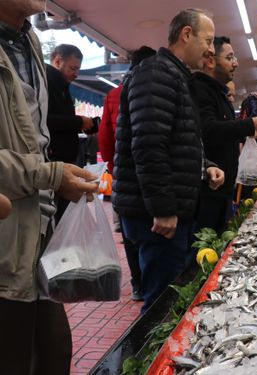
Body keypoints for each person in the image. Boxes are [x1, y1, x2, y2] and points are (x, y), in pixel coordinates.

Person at [0, 0, 99, 373]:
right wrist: (50, 175)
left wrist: (58, 179)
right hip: (5, 241)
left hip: (39, 232)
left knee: (55, 353)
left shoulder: (29, 41)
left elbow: (35, 138)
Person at [113, 8, 224, 312]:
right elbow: (149, 145)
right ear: (187, 34)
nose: (211, 49)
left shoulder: (176, 76)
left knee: (171, 296)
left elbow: (179, 139)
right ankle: (153, 360)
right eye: (208, 40)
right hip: (157, 218)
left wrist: (206, 166)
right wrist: (163, 209)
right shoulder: (157, 72)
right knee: (162, 305)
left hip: (169, 211)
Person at [192, 37, 257, 234]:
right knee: (203, 253)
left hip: (222, 190)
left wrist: (249, 132)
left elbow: (224, 131)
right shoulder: (200, 90)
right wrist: (250, 125)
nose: (236, 63)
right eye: (230, 57)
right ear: (211, 61)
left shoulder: (218, 93)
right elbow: (207, 131)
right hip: (208, 191)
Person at [98, 45, 156, 301]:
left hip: (124, 174)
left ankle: (138, 284)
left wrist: (115, 167)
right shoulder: (152, 90)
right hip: (152, 172)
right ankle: (154, 284)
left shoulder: (114, 94)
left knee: (131, 233)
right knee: (154, 227)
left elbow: (105, 138)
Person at [46, 44, 98, 222]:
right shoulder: (46, 81)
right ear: (58, 61)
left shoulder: (62, 85)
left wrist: (80, 122)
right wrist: (78, 122)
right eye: (73, 68)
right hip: (53, 165)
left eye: (78, 69)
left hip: (64, 163)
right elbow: (46, 120)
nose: (76, 74)